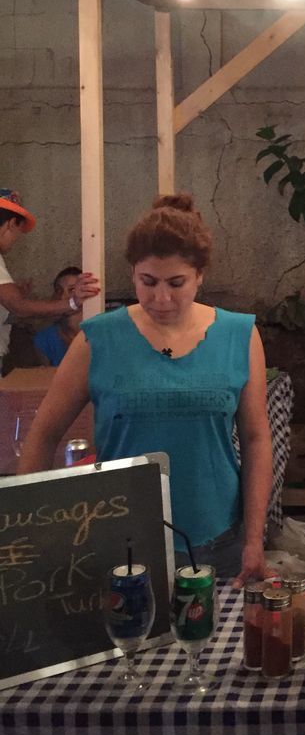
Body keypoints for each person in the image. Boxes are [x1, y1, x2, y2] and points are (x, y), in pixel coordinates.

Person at [17, 193, 272, 585]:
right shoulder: (97, 340)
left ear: (200, 275)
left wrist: (255, 539)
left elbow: (256, 440)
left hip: (218, 541)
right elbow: (43, 434)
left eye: (177, 283)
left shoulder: (239, 335)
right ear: (133, 272)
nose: (161, 298)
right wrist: (32, 530)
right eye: (147, 282)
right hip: (120, 544)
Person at [0, 189, 99, 370]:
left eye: (72, 291)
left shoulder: (103, 337)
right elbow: (18, 306)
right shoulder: (45, 340)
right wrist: (73, 303)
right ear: (11, 224)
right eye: (18, 231)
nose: (16, 240)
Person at [33, 266, 83, 365]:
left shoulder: (100, 333)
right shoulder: (45, 338)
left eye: (72, 290)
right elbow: (45, 377)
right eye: (58, 290)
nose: (63, 297)